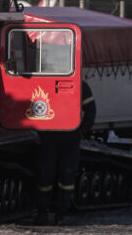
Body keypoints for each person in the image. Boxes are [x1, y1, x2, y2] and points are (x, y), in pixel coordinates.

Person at [33, 81, 93, 225]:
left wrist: (82, 131)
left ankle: (60, 213)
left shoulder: (79, 85)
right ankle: (43, 212)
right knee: (45, 176)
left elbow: (91, 110)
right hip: (48, 137)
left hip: (68, 138)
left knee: (66, 177)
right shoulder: (42, 84)